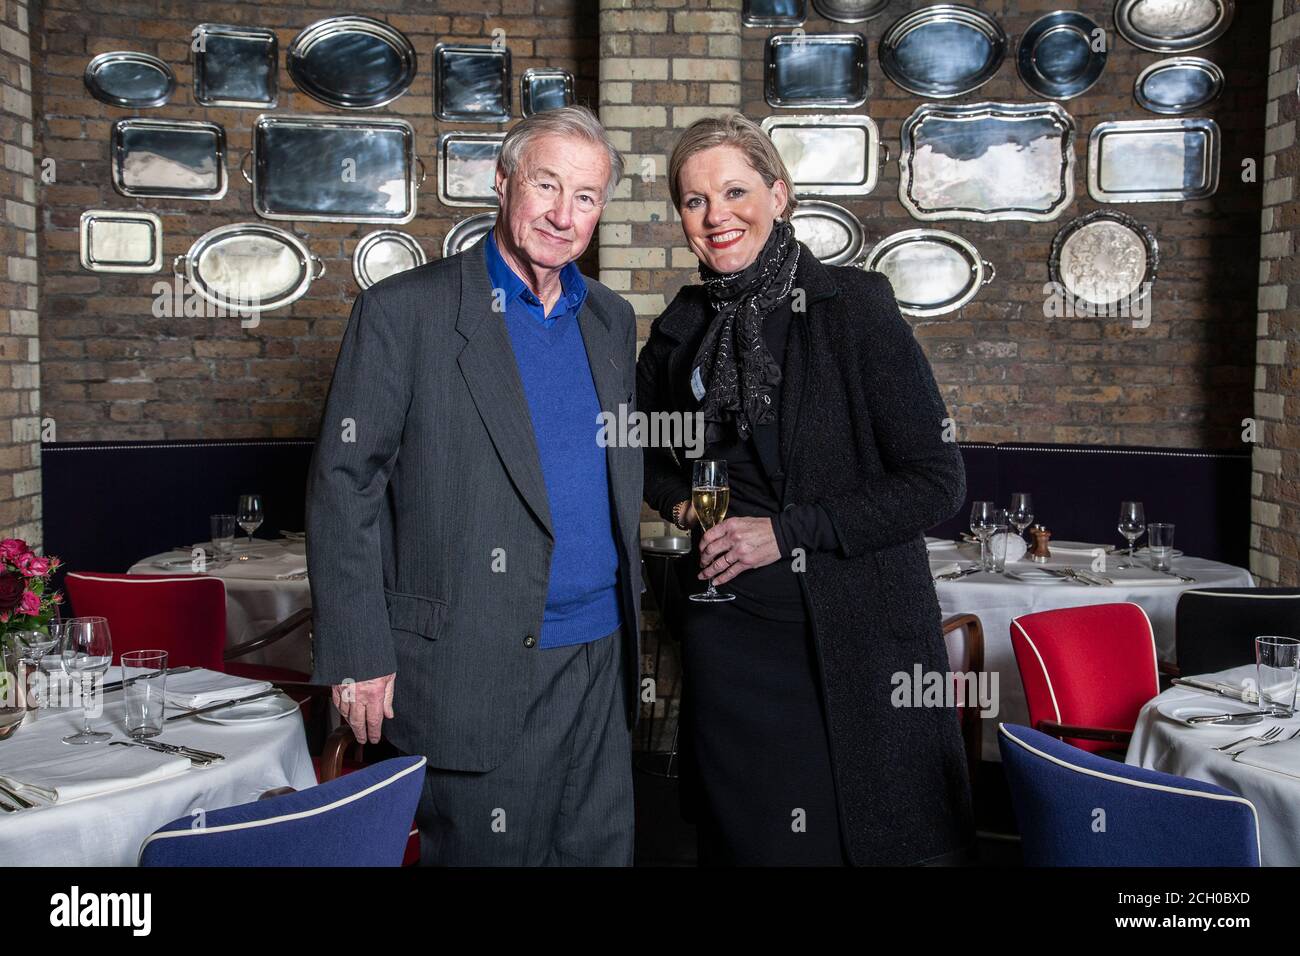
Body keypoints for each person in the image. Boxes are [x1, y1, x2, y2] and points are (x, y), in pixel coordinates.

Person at [306, 105, 642, 866]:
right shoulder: (405, 312)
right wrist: (358, 653)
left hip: (603, 660)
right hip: (471, 665)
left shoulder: (612, 322)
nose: (563, 214)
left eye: (585, 196)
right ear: (501, 182)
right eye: (546, 185)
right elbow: (344, 486)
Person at [637, 113, 974, 865]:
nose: (716, 215)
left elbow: (935, 479)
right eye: (695, 201)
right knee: (751, 846)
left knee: (863, 841)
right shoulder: (680, 328)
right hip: (729, 636)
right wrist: (682, 501)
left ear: (779, 194)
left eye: (734, 191)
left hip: (853, 635)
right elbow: (646, 454)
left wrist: (786, 533)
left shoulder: (855, 307)